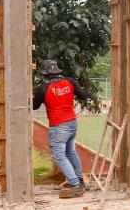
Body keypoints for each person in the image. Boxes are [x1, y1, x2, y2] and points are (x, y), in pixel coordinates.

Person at [33, 60, 89, 198]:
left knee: (58, 156)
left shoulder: (43, 88)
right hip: (71, 123)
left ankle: (75, 185)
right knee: (70, 152)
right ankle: (80, 181)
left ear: (45, 74)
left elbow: (34, 106)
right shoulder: (70, 81)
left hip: (58, 126)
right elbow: (83, 95)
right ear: (57, 71)